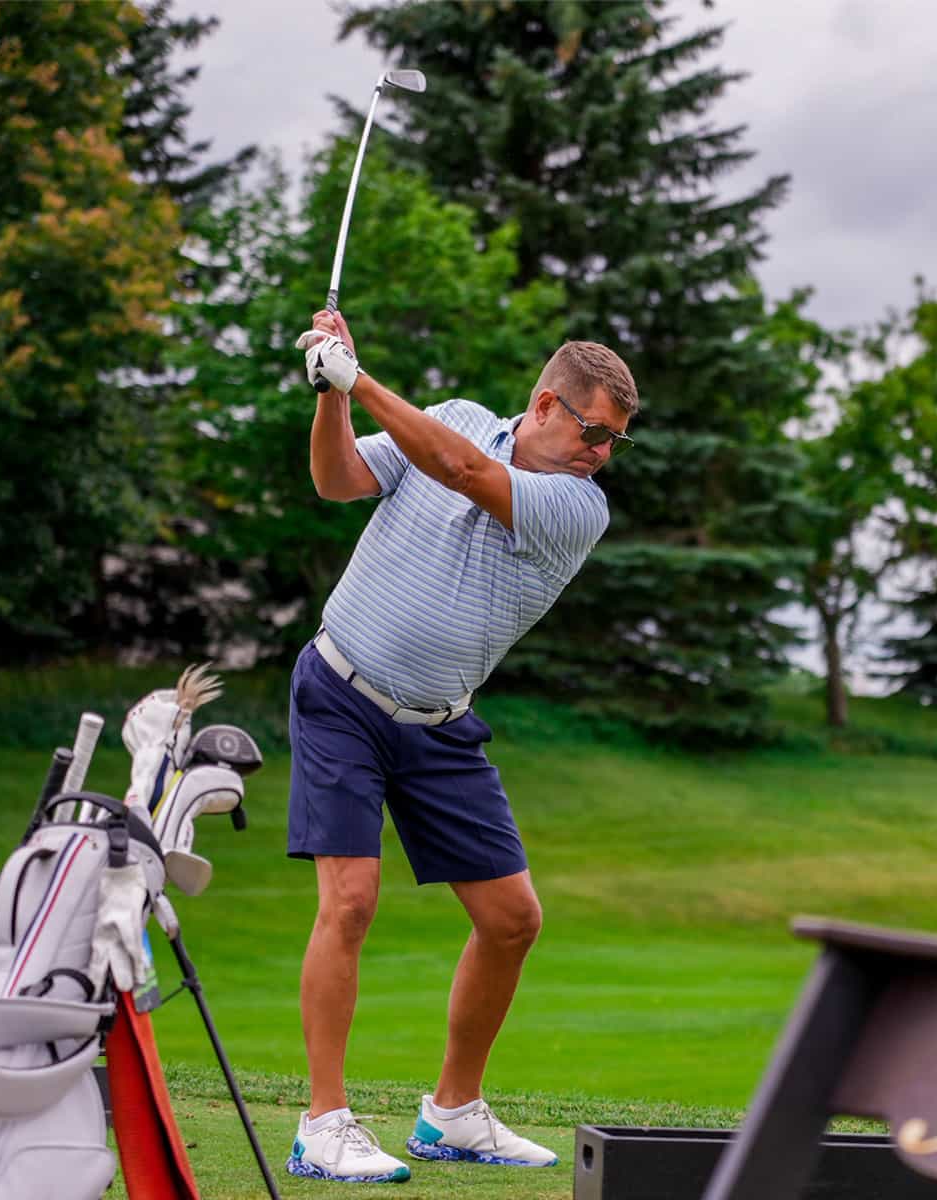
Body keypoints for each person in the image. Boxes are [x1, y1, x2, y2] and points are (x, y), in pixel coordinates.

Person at [282, 310, 637, 1183]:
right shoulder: (457, 417)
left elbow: (466, 471)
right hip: (340, 692)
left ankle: (451, 1114)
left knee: (513, 920)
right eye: (594, 432)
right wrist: (331, 395)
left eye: (615, 441)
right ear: (546, 405)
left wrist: (359, 377)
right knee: (350, 903)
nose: (601, 453)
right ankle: (323, 1123)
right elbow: (337, 479)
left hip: (440, 724)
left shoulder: (577, 506)